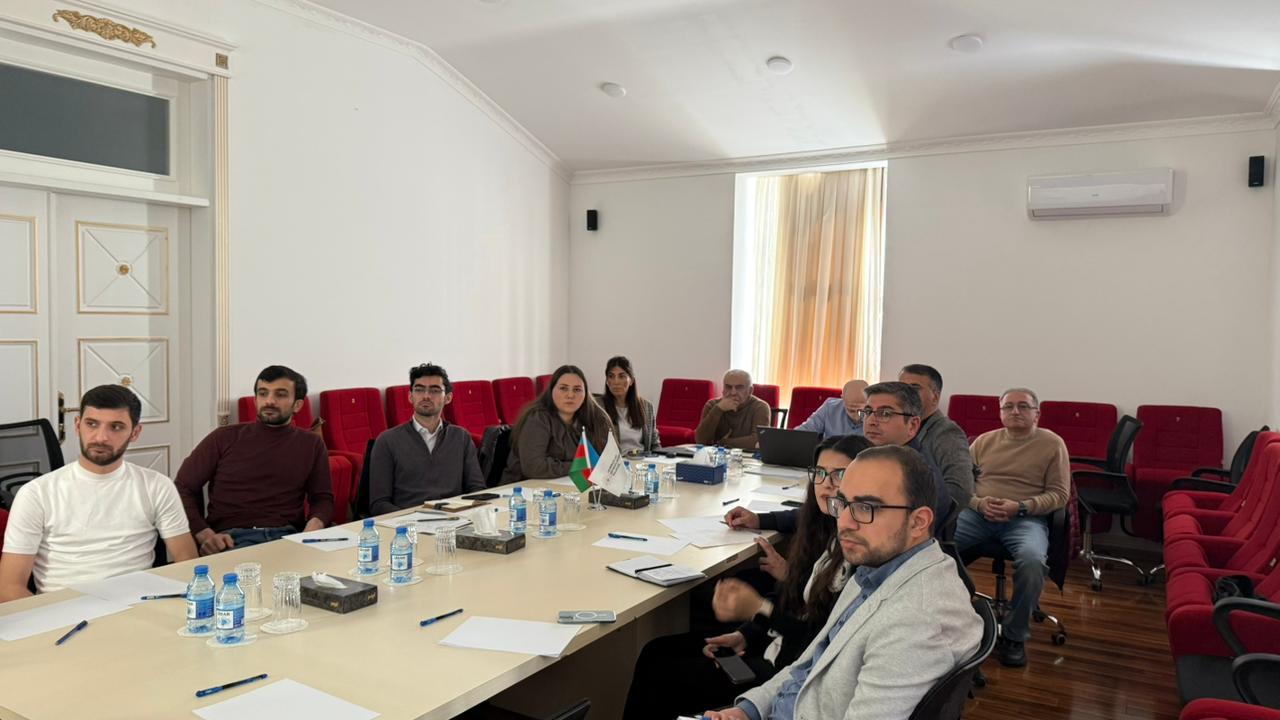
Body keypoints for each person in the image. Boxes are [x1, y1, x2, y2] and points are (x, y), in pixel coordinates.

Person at [703, 445, 982, 720]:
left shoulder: (917, 620)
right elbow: (809, 663)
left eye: (865, 507)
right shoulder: (875, 570)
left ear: (918, 521)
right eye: (843, 504)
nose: (844, 523)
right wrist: (748, 710)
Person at [623, 435, 871, 719]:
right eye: (820, 473)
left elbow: (819, 641)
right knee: (655, 651)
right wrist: (745, 634)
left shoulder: (857, 552)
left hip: (783, 672)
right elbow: (791, 597)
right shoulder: (821, 530)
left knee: (662, 676)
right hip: (771, 643)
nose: (826, 483)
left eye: (840, 474)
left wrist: (758, 608)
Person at [0, 385, 197, 600]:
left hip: (139, 605)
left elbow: (187, 563)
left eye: (116, 427)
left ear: (135, 433)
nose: (101, 437)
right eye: (92, 424)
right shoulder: (36, 494)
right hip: (62, 608)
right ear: (78, 425)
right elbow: (9, 588)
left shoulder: (157, 486)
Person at [726, 382, 951, 536]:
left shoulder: (917, 478)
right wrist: (761, 520)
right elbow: (826, 513)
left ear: (912, 425)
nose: (871, 421)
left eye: (885, 413)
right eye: (867, 412)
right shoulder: (880, 460)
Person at [954, 387, 1069, 668]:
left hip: (1025, 518)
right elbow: (962, 484)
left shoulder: (1052, 444)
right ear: (1000, 412)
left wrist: (1020, 507)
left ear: (1037, 414)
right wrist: (979, 504)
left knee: (1032, 561)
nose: (1015, 411)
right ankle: (950, 620)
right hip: (978, 515)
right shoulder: (983, 441)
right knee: (936, 549)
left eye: (1023, 406)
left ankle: (1015, 636)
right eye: (1008, 407)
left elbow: (1059, 495)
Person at [176, 366, 334, 554]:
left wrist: (313, 527)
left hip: (287, 538)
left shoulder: (311, 444)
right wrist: (204, 533)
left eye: (280, 394)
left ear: (297, 405)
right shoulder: (224, 438)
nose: (270, 401)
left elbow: (322, 499)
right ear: (255, 400)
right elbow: (182, 487)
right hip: (230, 540)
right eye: (263, 393)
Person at [368, 363, 485, 515]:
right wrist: (411, 520)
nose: (426, 396)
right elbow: (379, 503)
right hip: (406, 522)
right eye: (419, 389)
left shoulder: (461, 437)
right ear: (410, 396)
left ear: (448, 398)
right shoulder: (387, 441)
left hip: (454, 519)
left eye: (435, 390)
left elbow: (477, 489)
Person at [502, 364, 612, 483]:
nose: (570, 395)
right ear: (551, 390)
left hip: (571, 485)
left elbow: (608, 459)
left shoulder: (594, 417)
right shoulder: (537, 419)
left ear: (585, 394)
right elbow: (534, 467)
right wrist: (580, 466)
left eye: (577, 390)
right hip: (522, 489)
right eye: (563, 388)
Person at [898, 364, 978, 509]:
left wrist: (914, 511)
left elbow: (961, 492)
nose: (906, 395)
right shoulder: (898, 426)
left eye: (914, 388)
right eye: (901, 388)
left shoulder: (947, 433)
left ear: (935, 397)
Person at [696, 369, 772, 450]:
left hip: (747, 456)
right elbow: (701, 440)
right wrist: (718, 409)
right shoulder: (712, 405)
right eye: (728, 387)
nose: (733, 393)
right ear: (723, 389)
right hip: (716, 456)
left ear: (750, 391)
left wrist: (723, 442)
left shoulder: (760, 407)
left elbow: (759, 440)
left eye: (739, 387)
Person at [601, 356, 660, 454]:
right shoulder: (599, 407)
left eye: (621, 376)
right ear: (607, 381)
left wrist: (661, 459)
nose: (616, 382)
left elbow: (655, 444)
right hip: (614, 462)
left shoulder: (647, 407)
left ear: (631, 380)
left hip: (642, 460)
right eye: (611, 376)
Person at [796, 380, 868, 439]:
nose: (856, 417)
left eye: (861, 411)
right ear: (842, 399)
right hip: (830, 451)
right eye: (851, 411)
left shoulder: (874, 413)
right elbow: (805, 430)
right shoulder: (830, 407)